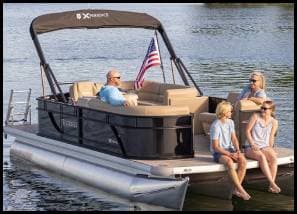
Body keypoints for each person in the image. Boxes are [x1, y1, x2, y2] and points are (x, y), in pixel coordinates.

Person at [210, 101, 251, 200]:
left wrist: (237, 150)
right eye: (230, 111)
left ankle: (236, 189)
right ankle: (240, 189)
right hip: (219, 151)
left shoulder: (231, 122)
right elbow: (215, 147)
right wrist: (229, 154)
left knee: (243, 161)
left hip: (230, 149)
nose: (232, 113)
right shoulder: (216, 125)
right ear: (224, 112)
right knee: (229, 162)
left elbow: (234, 138)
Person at [243, 100, 281, 194]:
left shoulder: (274, 122)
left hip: (264, 145)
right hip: (250, 145)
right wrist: (252, 143)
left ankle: (271, 187)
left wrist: (271, 149)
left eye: (265, 108)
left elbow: (271, 136)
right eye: (262, 108)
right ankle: (272, 183)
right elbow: (247, 131)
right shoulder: (255, 116)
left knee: (273, 158)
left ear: (271, 110)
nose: (262, 110)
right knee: (262, 157)